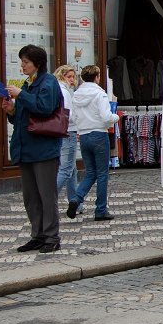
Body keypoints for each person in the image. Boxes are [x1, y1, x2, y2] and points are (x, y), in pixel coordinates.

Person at [2, 45, 63, 253]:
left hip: (44, 150)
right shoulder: (29, 84)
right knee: (30, 198)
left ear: (37, 63)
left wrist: (21, 96)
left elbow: (44, 107)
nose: (22, 66)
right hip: (26, 149)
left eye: (26, 62)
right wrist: (11, 111)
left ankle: (52, 237)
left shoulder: (49, 82)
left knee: (47, 196)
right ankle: (37, 235)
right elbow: (23, 117)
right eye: (21, 62)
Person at [67, 65, 119, 221]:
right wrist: (115, 117)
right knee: (103, 174)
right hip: (99, 134)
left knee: (90, 173)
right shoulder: (99, 94)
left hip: (83, 136)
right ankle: (101, 210)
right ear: (97, 77)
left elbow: (74, 118)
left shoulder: (76, 95)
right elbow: (106, 117)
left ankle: (76, 199)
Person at [53, 64, 82, 214]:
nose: (72, 80)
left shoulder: (58, 89)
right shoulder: (64, 92)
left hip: (61, 132)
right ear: (61, 76)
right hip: (68, 131)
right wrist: (79, 120)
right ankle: (48, 199)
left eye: (73, 77)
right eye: (69, 76)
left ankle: (75, 202)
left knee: (72, 169)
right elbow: (68, 115)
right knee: (66, 169)